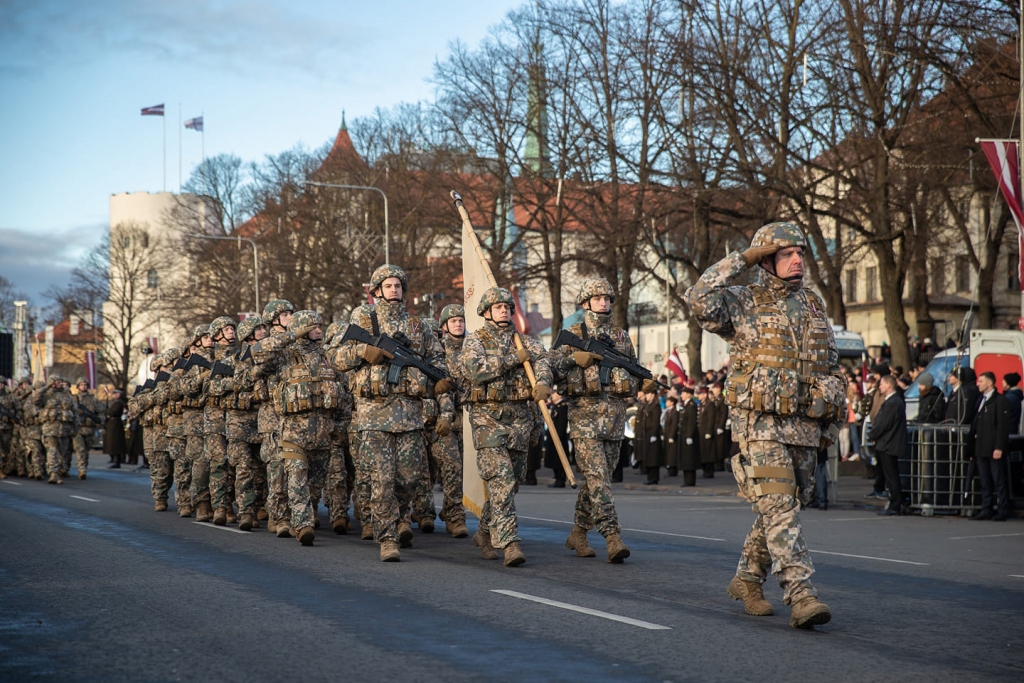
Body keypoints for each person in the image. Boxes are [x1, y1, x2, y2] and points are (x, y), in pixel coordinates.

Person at [685, 221, 842, 629]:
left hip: (804, 427)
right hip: (759, 425)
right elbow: (698, 299)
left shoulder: (813, 305)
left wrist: (831, 419)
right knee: (779, 506)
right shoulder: (743, 300)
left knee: (781, 510)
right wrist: (742, 259)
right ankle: (801, 594)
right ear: (766, 261)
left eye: (800, 254)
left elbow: (831, 365)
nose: (797, 261)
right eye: (786, 254)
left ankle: (747, 579)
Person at [329, 265, 447, 561]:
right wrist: (362, 352)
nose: (395, 290)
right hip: (373, 415)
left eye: (398, 285)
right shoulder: (362, 319)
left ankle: (396, 517)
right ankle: (387, 538)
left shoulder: (417, 325)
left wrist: (442, 381)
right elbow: (334, 357)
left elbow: (436, 359)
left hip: (409, 415)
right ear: (376, 291)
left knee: (409, 479)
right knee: (382, 479)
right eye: (389, 285)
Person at [461, 286, 552, 567]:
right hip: (488, 421)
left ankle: (485, 532)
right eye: (497, 306)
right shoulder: (474, 341)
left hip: (520, 421)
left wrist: (543, 383)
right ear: (486, 312)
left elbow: (544, 361)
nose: (503, 310)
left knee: (510, 484)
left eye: (507, 306)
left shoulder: (526, 342)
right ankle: (510, 543)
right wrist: (514, 359)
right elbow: (475, 370)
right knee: (501, 479)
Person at [552, 277, 640, 562]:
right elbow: (550, 369)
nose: (603, 303)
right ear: (585, 303)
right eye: (597, 298)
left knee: (598, 483)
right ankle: (612, 537)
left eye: (607, 298)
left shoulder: (622, 337)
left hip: (614, 420)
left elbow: (634, 374)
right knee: (599, 480)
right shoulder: (573, 332)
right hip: (584, 420)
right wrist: (572, 359)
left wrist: (639, 382)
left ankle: (578, 532)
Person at [254, 309, 342, 546]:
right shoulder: (284, 355)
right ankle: (303, 524)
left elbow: (343, 393)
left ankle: (302, 515)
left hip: (322, 432)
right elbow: (258, 352)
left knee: (315, 484)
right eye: (312, 326)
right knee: (296, 476)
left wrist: (340, 426)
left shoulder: (328, 356)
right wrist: (292, 334)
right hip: (294, 430)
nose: (318, 330)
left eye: (319, 326)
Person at [969, 371, 1012, 521]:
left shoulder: (1000, 401)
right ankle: (986, 508)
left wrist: (999, 447)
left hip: (993, 447)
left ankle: (1002, 509)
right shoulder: (981, 400)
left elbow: (1002, 426)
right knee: (985, 480)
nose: (978, 384)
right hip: (981, 447)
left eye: (981, 381)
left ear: (990, 383)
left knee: (998, 480)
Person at [867, 375, 907, 515]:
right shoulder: (892, 401)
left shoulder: (893, 402)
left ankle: (895, 506)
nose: (879, 387)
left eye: (882, 384)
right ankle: (894, 503)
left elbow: (884, 424)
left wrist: (872, 435)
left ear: (889, 386)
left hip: (889, 444)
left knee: (891, 476)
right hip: (887, 443)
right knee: (890, 475)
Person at [34, 375, 77, 484]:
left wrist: (75, 428)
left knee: (62, 453)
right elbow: (35, 400)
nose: (58, 383)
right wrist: (46, 387)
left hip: (64, 430)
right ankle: (53, 474)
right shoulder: (46, 395)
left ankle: (58, 472)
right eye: (56, 381)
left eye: (60, 381)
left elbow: (75, 412)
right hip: (50, 429)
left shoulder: (67, 396)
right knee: (52, 451)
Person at [71, 379, 104, 480]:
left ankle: (84, 467)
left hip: (89, 429)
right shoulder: (74, 399)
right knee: (80, 449)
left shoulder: (93, 399)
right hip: (78, 429)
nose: (83, 386)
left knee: (86, 451)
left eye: (85, 385)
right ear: (78, 386)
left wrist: (100, 422)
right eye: (81, 385)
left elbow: (100, 411)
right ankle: (82, 470)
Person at [543, 391, 570, 488]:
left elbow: (562, 424)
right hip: (552, 437)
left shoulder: (563, 406)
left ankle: (560, 479)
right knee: (553, 459)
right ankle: (557, 478)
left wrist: (557, 436)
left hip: (559, 437)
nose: (552, 395)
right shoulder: (555, 406)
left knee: (559, 460)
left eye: (554, 393)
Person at [677, 385, 700, 486]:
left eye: (683, 393)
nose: (681, 395)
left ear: (688, 394)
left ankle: (690, 480)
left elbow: (691, 422)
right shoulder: (686, 405)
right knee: (685, 459)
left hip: (688, 435)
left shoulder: (691, 405)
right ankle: (687, 480)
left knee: (689, 459)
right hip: (684, 435)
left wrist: (690, 435)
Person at [104, 389, 127, 470]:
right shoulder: (115, 403)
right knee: (112, 444)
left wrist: (106, 411)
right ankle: (113, 459)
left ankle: (117, 461)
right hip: (112, 424)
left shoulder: (119, 403)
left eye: (115, 393)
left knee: (116, 444)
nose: (114, 395)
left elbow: (112, 412)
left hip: (116, 424)